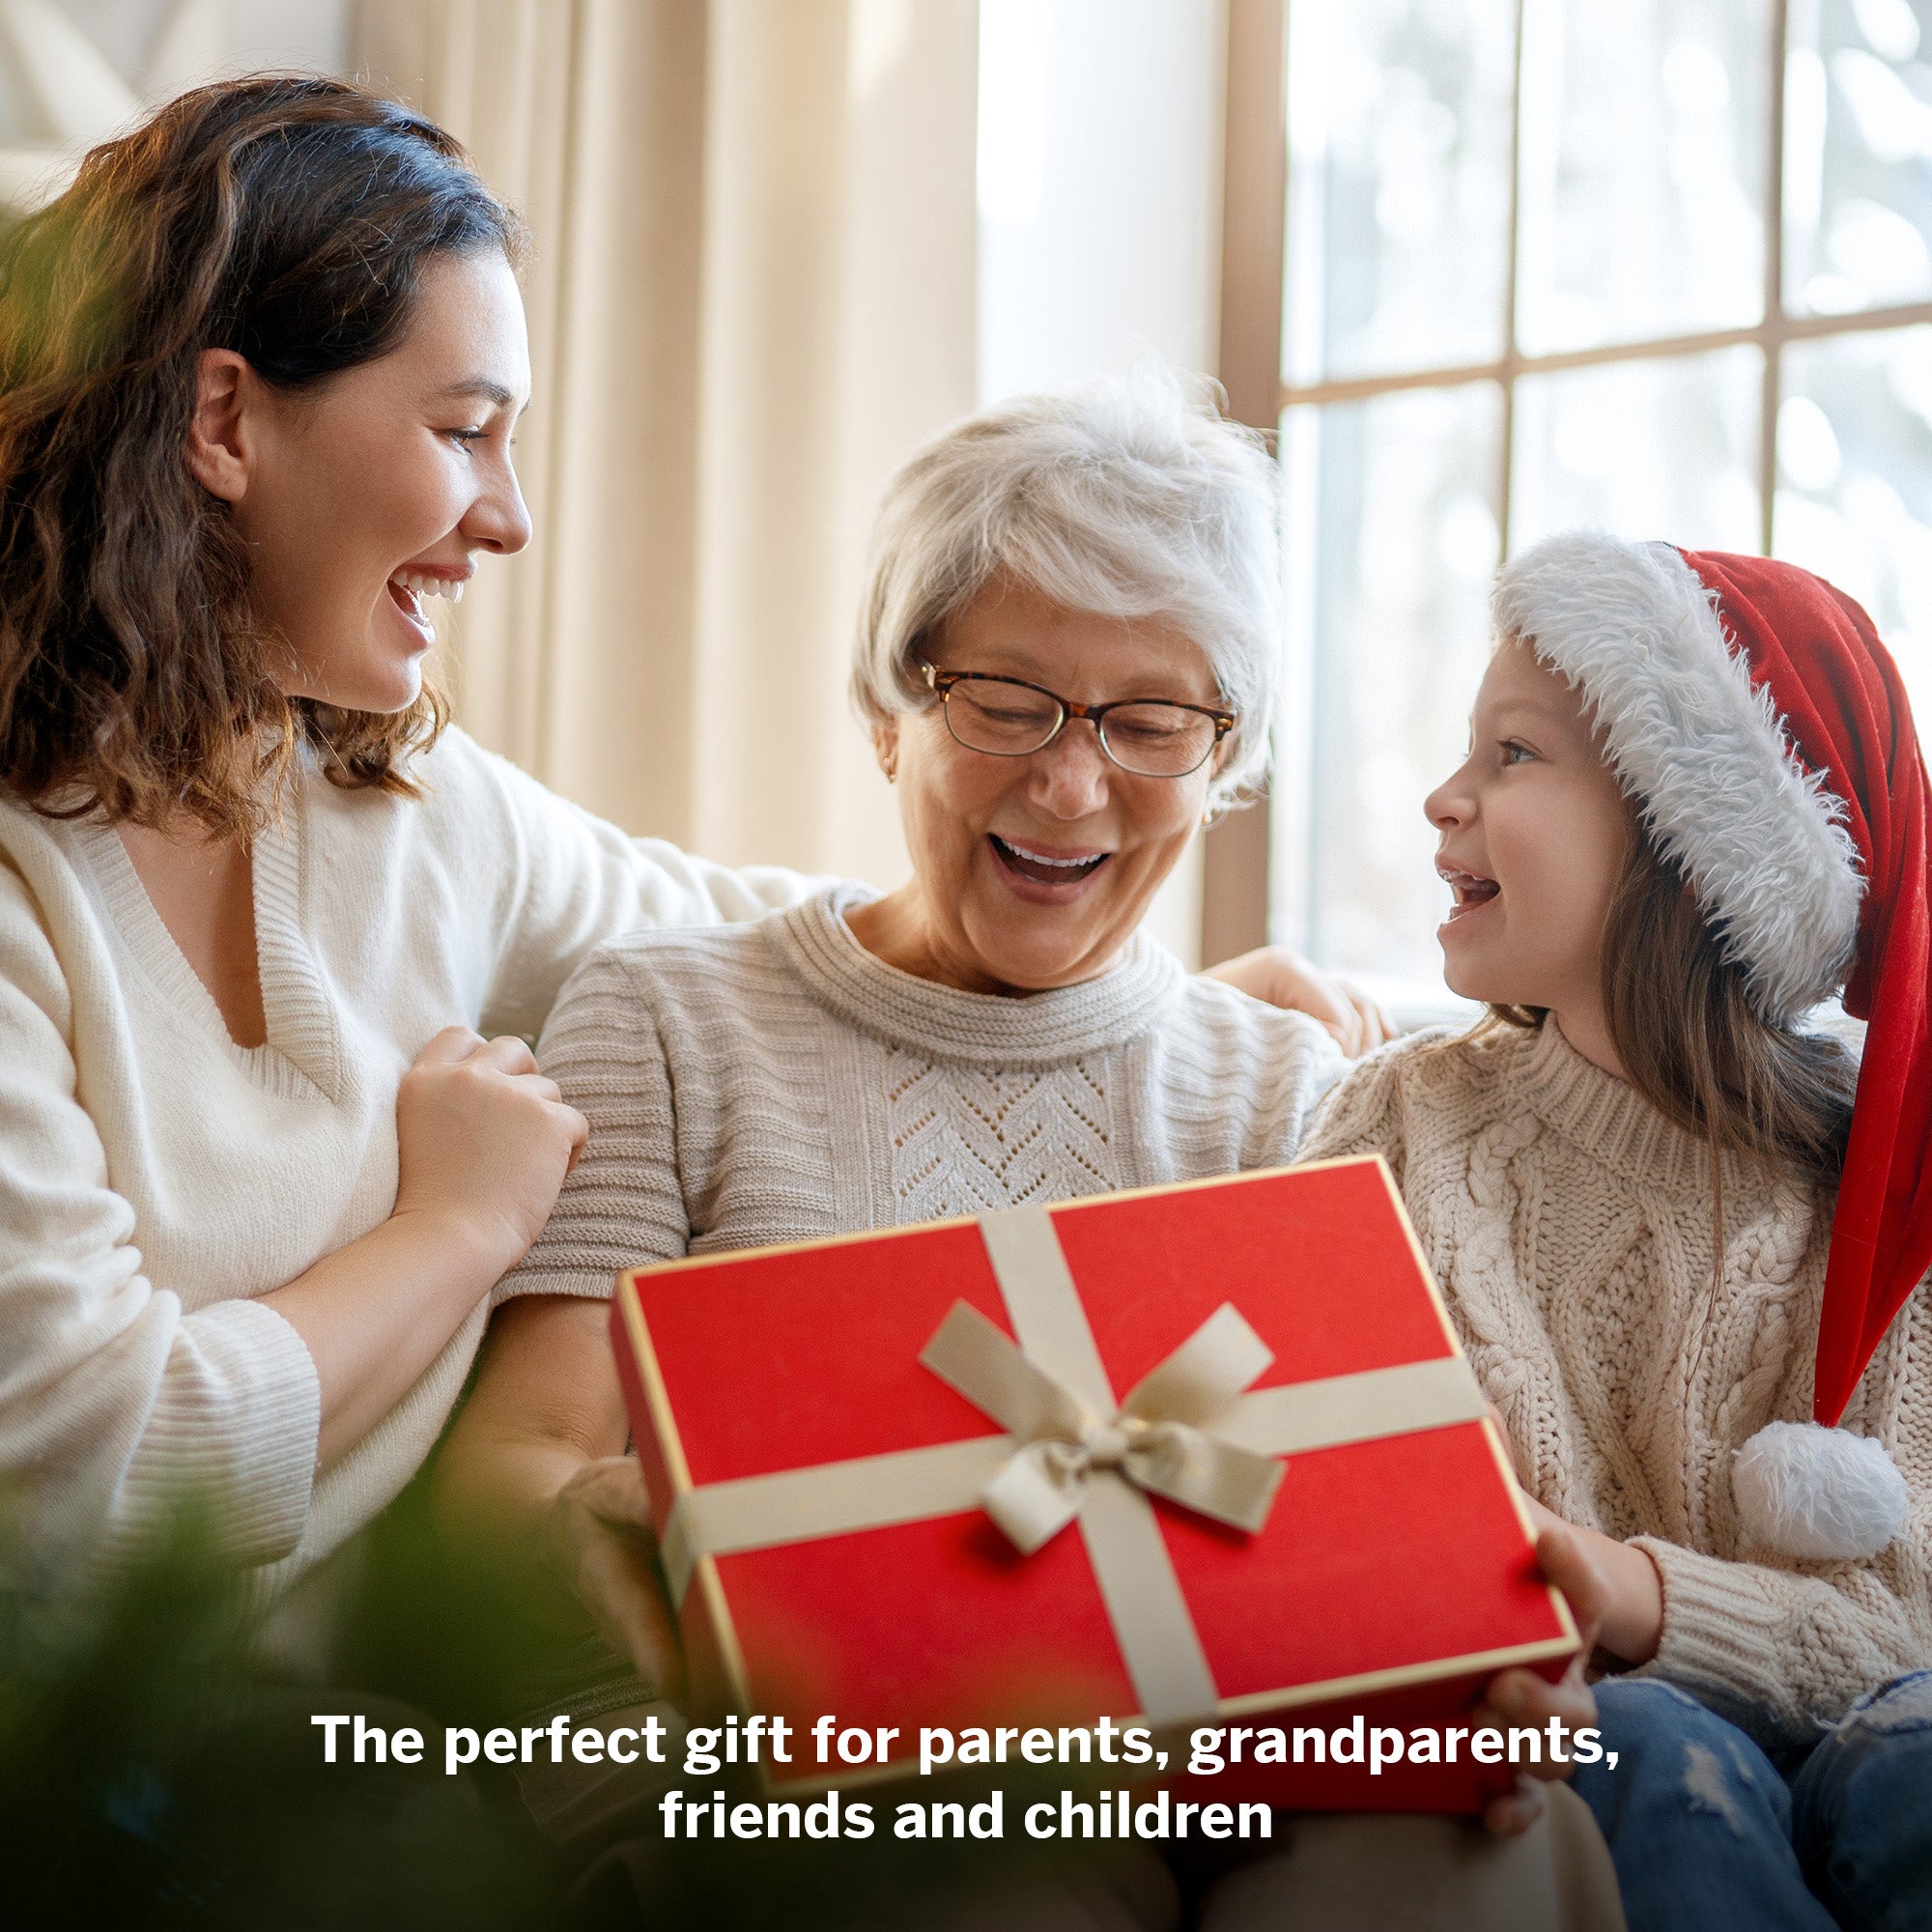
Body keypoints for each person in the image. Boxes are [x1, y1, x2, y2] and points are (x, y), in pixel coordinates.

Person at [0, 76, 1368, 1607]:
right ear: (224, 421)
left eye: (1148, 724)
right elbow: (91, 1482)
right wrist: (458, 1226)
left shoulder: (415, 809)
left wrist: (1139, 1008)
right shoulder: (25, 896)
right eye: (464, 432)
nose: (511, 517)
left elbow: (805, 946)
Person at [435, 376, 1621, 1930]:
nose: (1071, 785)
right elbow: (507, 1468)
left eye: (1152, 723)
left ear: (1224, 760)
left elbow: (1385, 1516)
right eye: (1006, 701)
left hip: (1225, 1772)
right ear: (891, 714)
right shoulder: (668, 1022)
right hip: (826, 1786)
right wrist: (635, 1523)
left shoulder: (1287, 1089)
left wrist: (1484, 1660)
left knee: (1474, 1855)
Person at [1301, 530, 1932, 1932]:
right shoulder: (1395, 1129)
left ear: (1687, 841)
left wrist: (1635, 1591)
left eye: (1512, 755)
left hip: (1884, 1743)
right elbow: (1328, 1527)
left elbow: (1903, 1631)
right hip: (1594, 1741)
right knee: (1646, 1746)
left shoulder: (1887, 1191)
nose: (1443, 797)